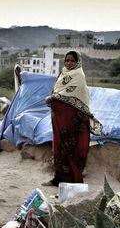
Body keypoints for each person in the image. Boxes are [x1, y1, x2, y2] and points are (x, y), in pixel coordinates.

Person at [43, 51, 102, 186]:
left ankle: (73, 180)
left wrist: (53, 98)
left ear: (78, 62)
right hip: (59, 118)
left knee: (70, 148)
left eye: (72, 61)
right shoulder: (63, 74)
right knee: (58, 148)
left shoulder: (79, 76)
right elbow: (57, 90)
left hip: (72, 120)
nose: (69, 63)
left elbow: (69, 92)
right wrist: (54, 98)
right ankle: (58, 179)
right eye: (67, 60)